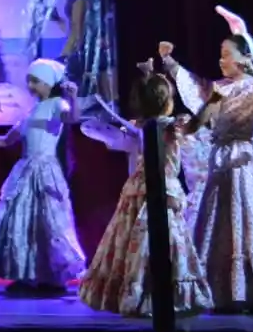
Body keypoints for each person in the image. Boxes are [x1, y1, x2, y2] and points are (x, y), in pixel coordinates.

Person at [159, 6, 253, 311]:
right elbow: (202, 119)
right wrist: (174, 127)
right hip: (221, 161)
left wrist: (252, 70)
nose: (221, 59)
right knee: (221, 224)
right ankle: (230, 289)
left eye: (226, 53)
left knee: (252, 220)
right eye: (220, 53)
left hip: (246, 160)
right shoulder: (219, 89)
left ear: (242, 57)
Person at [77, 70, 213, 317]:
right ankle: (157, 293)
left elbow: (150, 105)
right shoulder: (172, 126)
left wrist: (148, 78)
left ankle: (137, 291)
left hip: (138, 186)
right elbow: (195, 124)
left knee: (134, 238)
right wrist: (212, 103)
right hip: (161, 187)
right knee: (163, 240)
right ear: (167, 101)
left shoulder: (144, 124)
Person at [0, 59, 87, 295]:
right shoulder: (30, 111)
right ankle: (28, 274)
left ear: (48, 82)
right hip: (24, 170)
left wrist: (73, 98)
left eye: (36, 81)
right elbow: (5, 141)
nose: (31, 86)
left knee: (48, 223)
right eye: (29, 81)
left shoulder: (57, 104)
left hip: (45, 171)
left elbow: (71, 118)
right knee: (22, 223)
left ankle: (52, 278)